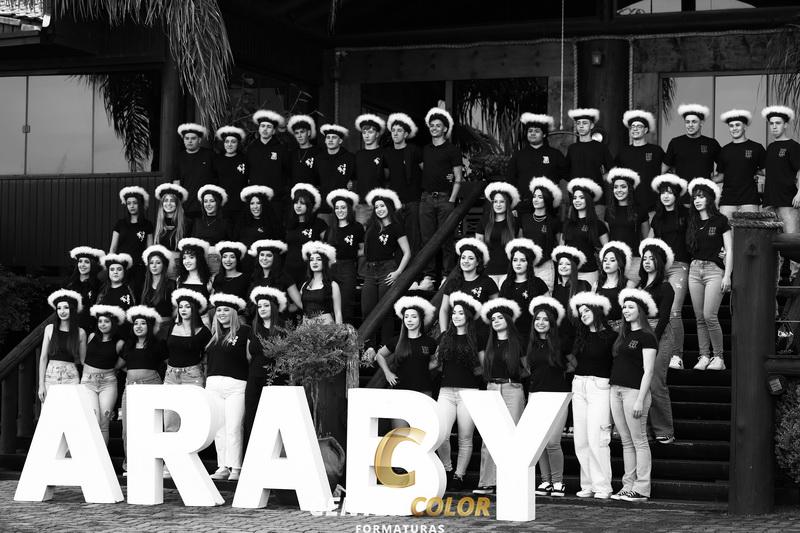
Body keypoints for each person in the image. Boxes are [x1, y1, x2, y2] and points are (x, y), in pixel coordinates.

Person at [610, 288, 659, 502]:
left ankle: (641, 488)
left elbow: (649, 371)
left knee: (639, 441)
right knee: (626, 441)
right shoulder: (624, 335)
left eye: (630, 307)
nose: (626, 310)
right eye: (624, 307)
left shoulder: (647, 337)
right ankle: (628, 485)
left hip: (634, 393)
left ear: (640, 310)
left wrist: (640, 399)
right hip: (616, 390)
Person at [474, 298, 526, 496]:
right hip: (492, 388)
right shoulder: (488, 344)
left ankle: (510, 481)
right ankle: (487, 482)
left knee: (513, 435)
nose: (495, 321)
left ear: (508, 320)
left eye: (499, 317)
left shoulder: (518, 342)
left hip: (513, 388)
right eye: (493, 319)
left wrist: (516, 381)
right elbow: (483, 368)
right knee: (490, 437)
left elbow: (528, 368)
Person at [433, 291, 484, 491]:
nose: (456, 316)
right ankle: (447, 469)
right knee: (441, 434)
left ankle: (459, 475)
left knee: (465, 437)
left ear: (468, 316)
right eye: (454, 313)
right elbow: (436, 363)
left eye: (460, 313)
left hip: (468, 392)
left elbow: (482, 367)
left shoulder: (477, 338)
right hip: (446, 391)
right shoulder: (445, 337)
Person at [568, 291, 615, 500]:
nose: (583, 314)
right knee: (581, 439)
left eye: (587, 310)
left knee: (598, 438)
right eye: (581, 312)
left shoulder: (612, 336)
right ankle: (587, 484)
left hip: (600, 386)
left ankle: (603, 486)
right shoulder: (581, 335)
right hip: (579, 385)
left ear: (597, 310)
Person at [527, 296, 571, 498]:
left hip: (558, 397)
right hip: (536, 396)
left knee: (553, 442)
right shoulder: (531, 344)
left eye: (545, 319)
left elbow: (572, 365)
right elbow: (529, 370)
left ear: (552, 322)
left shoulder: (561, 344)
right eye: (538, 319)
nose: (541, 322)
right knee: (540, 442)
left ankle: (558, 482)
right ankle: (545, 481)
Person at [687, 178, 732, 371]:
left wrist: (727, 275)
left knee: (709, 315)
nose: (697, 200)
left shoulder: (720, 220)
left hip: (714, 271)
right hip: (694, 270)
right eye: (694, 197)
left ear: (710, 198)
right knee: (699, 317)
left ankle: (719, 358)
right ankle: (704, 355)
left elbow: (729, 249)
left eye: (701, 196)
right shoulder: (692, 221)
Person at [373, 296, 438, 426]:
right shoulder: (396, 340)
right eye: (406, 316)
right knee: (399, 433)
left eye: (413, 316)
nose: (409, 320)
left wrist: (422, 368)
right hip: (400, 391)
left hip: (424, 391)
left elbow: (434, 362)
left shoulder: (430, 342)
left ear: (421, 319)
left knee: (421, 432)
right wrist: (387, 373)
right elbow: (379, 355)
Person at [206, 293, 250, 481]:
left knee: (233, 427)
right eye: (218, 310)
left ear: (233, 312)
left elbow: (250, 358)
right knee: (219, 429)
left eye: (226, 310)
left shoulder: (245, 331)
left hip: (236, 385)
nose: (221, 313)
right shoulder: (214, 334)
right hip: (213, 385)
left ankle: (236, 468)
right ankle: (222, 466)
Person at [649, 174, 691, 370]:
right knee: (656, 311)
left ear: (676, 195)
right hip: (659, 267)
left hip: (679, 265)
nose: (666, 196)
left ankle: (677, 355)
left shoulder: (686, 214)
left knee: (674, 311)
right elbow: (650, 242)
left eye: (669, 193)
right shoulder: (657, 217)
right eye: (662, 193)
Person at [419, 107, 463, 291]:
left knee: (446, 239)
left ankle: (446, 276)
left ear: (445, 129)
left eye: (438, 125)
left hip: (445, 198)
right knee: (427, 240)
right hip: (427, 198)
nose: (434, 128)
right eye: (432, 125)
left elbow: (458, 177)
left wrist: (452, 200)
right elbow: (425, 169)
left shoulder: (452, 150)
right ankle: (428, 277)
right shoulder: (425, 149)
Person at [638, 238, 677, 444]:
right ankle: (644, 428)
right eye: (644, 258)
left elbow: (663, 318)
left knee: (655, 382)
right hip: (640, 332)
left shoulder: (666, 287)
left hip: (660, 334)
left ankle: (665, 430)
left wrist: (651, 340)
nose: (647, 262)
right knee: (639, 382)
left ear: (659, 262)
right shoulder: (639, 287)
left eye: (651, 259)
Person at [120, 305, 166, 472]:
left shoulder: (158, 344)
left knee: (152, 427)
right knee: (128, 428)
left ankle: (154, 464)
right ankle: (131, 464)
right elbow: (120, 365)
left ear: (150, 326)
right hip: (130, 387)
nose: (139, 326)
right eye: (136, 323)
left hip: (152, 385)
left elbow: (168, 364)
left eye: (143, 323)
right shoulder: (128, 345)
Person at [361, 188, 411, 342]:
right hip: (370, 271)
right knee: (367, 309)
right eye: (376, 207)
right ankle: (369, 347)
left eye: (382, 206)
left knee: (385, 311)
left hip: (387, 270)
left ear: (389, 207)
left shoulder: (396, 227)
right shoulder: (371, 226)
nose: (379, 209)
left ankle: (384, 347)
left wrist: (398, 272)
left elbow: (407, 252)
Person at [164, 289, 212, 435]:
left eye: (187, 306)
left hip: (192, 376)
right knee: (170, 419)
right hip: (171, 376)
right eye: (181, 307)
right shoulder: (172, 326)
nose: (183, 310)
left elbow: (208, 357)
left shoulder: (203, 331)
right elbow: (166, 350)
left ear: (194, 309)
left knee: (192, 419)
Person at [244, 286, 287, 447]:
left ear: (273, 307)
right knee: (252, 416)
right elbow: (248, 355)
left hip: (277, 379)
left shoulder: (284, 328)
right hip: (254, 379)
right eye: (259, 306)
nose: (262, 309)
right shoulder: (253, 328)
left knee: (274, 418)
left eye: (266, 305)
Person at [761, 105, 800, 280]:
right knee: (772, 244)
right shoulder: (770, 147)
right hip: (770, 202)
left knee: (792, 241)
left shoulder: (794, 146)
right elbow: (771, 171)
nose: (774, 126)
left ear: (786, 125)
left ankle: (794, 279)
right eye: (771, 123)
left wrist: (799, 193)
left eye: (778, 123)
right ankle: (774, 279)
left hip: (788, 202)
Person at [439, 237, 498, 333]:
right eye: (463, 257)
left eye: (471, 258)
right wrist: (443, 332)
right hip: (456, 333)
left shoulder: (487, 282)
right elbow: (444, 309)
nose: (466, 261)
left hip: (481, 333)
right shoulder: (452, 283)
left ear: (477, 262)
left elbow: (496, 309)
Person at [384, 113, 423, 257]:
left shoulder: (414, 150)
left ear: (406, 134)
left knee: (414, 238)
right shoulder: (387, 153)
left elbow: (426, 171)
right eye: (393, 130)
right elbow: (385, 175)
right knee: (397, 237)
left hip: (413, 200)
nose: (395, 133)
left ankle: (414, 270)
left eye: (399, 130)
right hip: (395, 202)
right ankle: (400, 268)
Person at [39, 289, 86, 403]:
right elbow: (43, 358)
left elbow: (83, 361)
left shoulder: (80, 333)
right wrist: (41, 385)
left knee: (69, 410)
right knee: (49, 411)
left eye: (66, 307)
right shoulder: (49, 329)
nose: (62, 311)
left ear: (72, 309)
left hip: (71, 378)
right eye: (59, 308)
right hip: (50, 377)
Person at [716, 109, 765, 218]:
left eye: (737, 125)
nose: (734, 128)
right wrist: (704, 179)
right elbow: (721, 176)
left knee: (750, 229)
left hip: (750, 200)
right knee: (725, 229)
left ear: (745, 126)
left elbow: (767, 172)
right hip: (727, 200)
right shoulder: (724, 150)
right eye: (731, 126)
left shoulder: (757, 148)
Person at [566, 108, 613, 218]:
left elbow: (613, 169)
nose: (581, 126)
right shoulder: (572, 148)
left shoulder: (600, 147)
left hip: (597, 199)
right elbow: (565, 170)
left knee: (597, 227)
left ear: (591, 126)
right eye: (578, 123)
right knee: (574, 227)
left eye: (584, 123)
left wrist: (601, 177)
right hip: (576, 198)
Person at [326, 188, 364, 325]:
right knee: (331, 305)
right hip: (331, 269)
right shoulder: (330, 229)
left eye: (343, 207)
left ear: (349, 209)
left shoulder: (357, 227)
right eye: (337, 208)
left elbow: (363, 250)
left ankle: (347, 336)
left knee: (346, 305)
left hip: (348, 268)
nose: (340, 210)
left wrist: (351, 254)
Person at [617, 110, 664, 215]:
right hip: (629, 205)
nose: (635, 129)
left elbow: (667, 169)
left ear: (645, 130)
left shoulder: (656, 150)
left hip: (652, 205)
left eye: (639, 126)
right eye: (632, 126)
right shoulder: (623, 152)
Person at [605, 168, 648, 283]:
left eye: (623, 186)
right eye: (616, 187)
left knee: (630, 293)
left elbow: (646, 239)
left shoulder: (640, 210)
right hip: (614, 261)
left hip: (634, 260)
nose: (619, 190)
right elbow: (607, 238)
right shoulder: (609, 211)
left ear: (630, 188)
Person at [563, 178, 609, 286]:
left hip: (589, 272)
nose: (577, 200)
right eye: (575, 198)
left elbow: (607, 251)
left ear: (588, 200)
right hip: (568, 272)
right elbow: (562, 248)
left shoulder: (598, 224)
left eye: (581, 197)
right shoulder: (567, 224)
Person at [520, 177, 563, 292]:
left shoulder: (554, 221)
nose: (536, 199)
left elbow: (560, 246)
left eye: (540, 197)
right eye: (534, 196)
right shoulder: (525, 219)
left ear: (546, 199)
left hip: (545, 266)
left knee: (546, 298)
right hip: (526, 265)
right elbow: (520, 244)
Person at [500, 238, 548, 338]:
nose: (518, 263)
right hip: (511, 333)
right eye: (515, 260)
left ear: (529, 263)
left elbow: (548, 310)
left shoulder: (538, 283)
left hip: (533, 334)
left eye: (522, 260)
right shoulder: (506, 284)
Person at [508, 113, 565, 197]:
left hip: (548, 201)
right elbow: (510, 179)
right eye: (530, 131)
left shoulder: (555, 154)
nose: (532, 133)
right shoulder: (518, 155)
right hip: (523, 201)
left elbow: (565, 174)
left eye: (537, 131)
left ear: (544, 134)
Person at [110, 186, 153, 296]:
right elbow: (113, 248)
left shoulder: (147, 225)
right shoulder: (120, 224)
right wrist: (110, 265)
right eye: (129, 203)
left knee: (137, 295)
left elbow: (150, 249)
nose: (132, 206)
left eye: (135, 203)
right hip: (121, 267)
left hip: (139, 268)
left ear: (140, 204)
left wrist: (148, 268)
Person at [477, 181, 520, 289]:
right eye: (495, 201)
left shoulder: (514, 222)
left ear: (507, 203)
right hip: (489, 270)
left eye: (502, 201)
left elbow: (520, 247)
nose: (498, 204)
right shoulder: (484, 221)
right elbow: (478, 247)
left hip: (509, 271)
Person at [662, 104, 721, 183]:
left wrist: (711, 181)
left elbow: (726, 165)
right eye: (687, 122)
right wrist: (673, 183)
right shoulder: (675, 143)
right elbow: (663, 170)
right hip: (682, 190)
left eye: (694, 122)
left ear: (701, 123)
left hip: (704, 190)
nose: (690, 125)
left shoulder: (711, 143)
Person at [285, 183, 328, 286]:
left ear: (309, 205)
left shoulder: (319, 223)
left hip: (309, 270)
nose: (298, 206)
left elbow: (328, 246)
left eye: (302, 203)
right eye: (296, 202)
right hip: (289, 269)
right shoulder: (289, 223)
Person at [550, 245, 592, 353]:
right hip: (560, 338)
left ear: (574, 266)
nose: (563, 266)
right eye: (560, 264)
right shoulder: (556, 289)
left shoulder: (583, 285)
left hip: (579, 337)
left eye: (568, 264)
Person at [316, 123, 355, 227]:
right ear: (325, 140)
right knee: (324, 234)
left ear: (340, 141)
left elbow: (356, 178)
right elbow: (315, 180)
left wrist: (352, 183)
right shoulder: (319, 158)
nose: (330, 140)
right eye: (328, 137)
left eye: (334, 137)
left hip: (343, 205)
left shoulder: (349, 158)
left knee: (342, 233)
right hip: (323, 206)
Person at [248, 239, 303, 313]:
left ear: (275, 258)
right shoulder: (255, 277)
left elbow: (300, 304)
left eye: (269, 255)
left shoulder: (284, 277)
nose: (264, 258)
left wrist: (286, 309)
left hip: (279, 319)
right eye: (262, 255)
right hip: (258, 319)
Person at [173, 122, 215, 217]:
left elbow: (218, 178)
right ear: (183, 140)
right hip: (186, 206)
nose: (190, 141)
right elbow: (176, 182)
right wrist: (178, 205)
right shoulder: (180, 158)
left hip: (207, 206)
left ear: (199, 140)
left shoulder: (210, 155)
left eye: (193, 138)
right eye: (187, 138)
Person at [247, 109, 289, 202]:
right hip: (256, 198)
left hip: (276, 197)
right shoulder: (251, 149)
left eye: (269, 127)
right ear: (259, 129)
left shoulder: (281, 149)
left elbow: (287, 173)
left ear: (273, 131)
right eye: (263, 126)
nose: (265, 129)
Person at [353, 114, 387, 225]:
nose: (366, 135)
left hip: (380, 203)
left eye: (370, 132)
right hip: (362, 204)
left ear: (377, 134)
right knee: (361, 234)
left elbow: (390, 176)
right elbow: (353, 177)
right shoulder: (358, 155)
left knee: (381, 233)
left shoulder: (384, 153)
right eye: (364, 132)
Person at [192, 184, 233, 274]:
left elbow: (231, 245)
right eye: (205, 201)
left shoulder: (225, 222)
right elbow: (193, 243)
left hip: (217, 261)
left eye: (212, 201)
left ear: (218, 203)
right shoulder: (197, 221)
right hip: (199, 261)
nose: (208, 204)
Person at [300, 241, 342, 325]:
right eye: (312, 260)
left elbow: (338, 313)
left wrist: (339, 331)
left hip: (326, 328)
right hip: (306, 329)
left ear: (324, 262)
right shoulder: (304, 285)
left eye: (319, 259)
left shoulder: (333, 285)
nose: (314, 262)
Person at [153, 183, 190, 277]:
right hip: (160, 268)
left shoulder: (187, 223)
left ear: (177, 203)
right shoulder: (158, 224)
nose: (168, 204)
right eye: (166, 200)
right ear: (162, 204)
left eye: (172, 201)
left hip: (178, 267)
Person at [66, 246, 105, 334]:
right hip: (71, 329)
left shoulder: (98, 285)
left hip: (92, 330)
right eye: (80, 261)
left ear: (93, 264)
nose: (82, 265)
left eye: (86, 262)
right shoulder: (70, 284)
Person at [595, 241, 634, 330]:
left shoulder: (629, 284)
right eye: (605, 260)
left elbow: (633, 311)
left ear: (619, 264)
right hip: (602, 328)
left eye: (612, 260)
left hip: (622, 328)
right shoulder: (596, 284)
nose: (607, 263)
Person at [213, 125, 249, 220]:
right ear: (223, 143)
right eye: (227, 141)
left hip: (241, 206)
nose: (229, 144)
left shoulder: (244, 160)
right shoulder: (217, 160)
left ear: (238, 144)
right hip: (222, 206)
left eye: (233, 142)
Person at [140, 244, 177, 333]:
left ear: (163, 265)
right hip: (148, 326)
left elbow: (176, 308)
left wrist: (168, 322)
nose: (154, 266)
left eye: (158, 263)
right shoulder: (144, 285)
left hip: (165, 326)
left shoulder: (171, 284)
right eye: (151, 263)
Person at [287, 114, 319, 188]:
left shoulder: (318, 152)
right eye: (296, 133)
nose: (299, 136)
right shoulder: (292, 154)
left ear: (309, 133)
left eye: (302, 132)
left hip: (312, 192)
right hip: (295, 192)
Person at [176, 237, 212, 302]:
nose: (187, 261)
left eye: (191, 257)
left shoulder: (209, 281)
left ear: (199, 259)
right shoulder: (179, 279)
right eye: (184, 258)